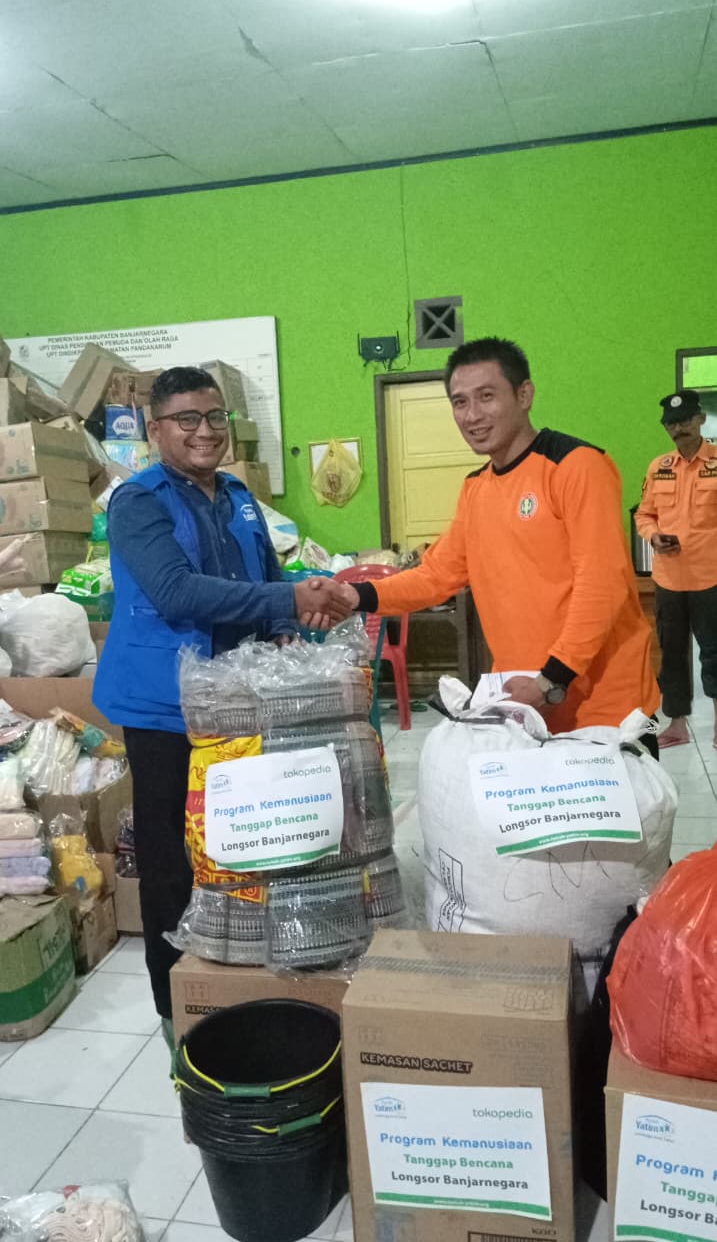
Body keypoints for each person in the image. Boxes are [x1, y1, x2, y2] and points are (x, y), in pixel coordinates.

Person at [93, 366, 352, 1029]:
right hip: (165, 708)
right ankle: (174, 1000)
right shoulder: (137, 502)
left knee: (242, 838)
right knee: (170, 854)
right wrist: (285, 596)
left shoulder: (238, 496)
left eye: (215, 417)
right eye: (187, 419)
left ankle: (238, 969)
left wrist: (289, 622)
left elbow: (265, 575)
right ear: (156, 431)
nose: (204, 431)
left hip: (238, 699)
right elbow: (176, 591)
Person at [338, 337, 659, 738]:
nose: (472, 415)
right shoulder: (477, 489)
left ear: (524, 395)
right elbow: (435, 577)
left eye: (486, 396)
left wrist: (551, 678)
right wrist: (354, 595)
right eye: (460, 402)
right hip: (524, 706)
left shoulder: (575, 466)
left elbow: (602, 585)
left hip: (605, 712)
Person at [635, 389, 717, 749]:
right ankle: (677, 724)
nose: (678, 428)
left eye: (684, 421)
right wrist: (654, 536)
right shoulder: (660, 467)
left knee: (714, 652)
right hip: (669, 578)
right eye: (671, 423)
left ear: (700, 419)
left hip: (711, 577)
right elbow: (644, 514)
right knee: (671, 653)